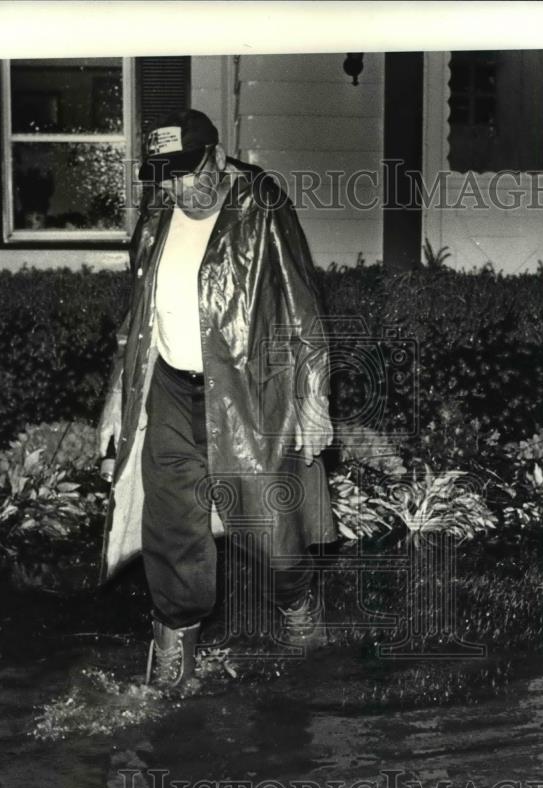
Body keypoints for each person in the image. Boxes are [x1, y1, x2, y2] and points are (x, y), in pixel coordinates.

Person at [97, 108, 337, 688]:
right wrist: (114, 401)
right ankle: (176, 644)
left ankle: (296, 605)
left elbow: (303, 305)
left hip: (248, 395)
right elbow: (137, 322)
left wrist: (313, 394)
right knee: (173, 526)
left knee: (275, 531)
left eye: (187, 172)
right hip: (172, 394)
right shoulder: (158, 215)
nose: (178, 187)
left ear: (218, 157)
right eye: (166, 176)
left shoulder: (262, 204)